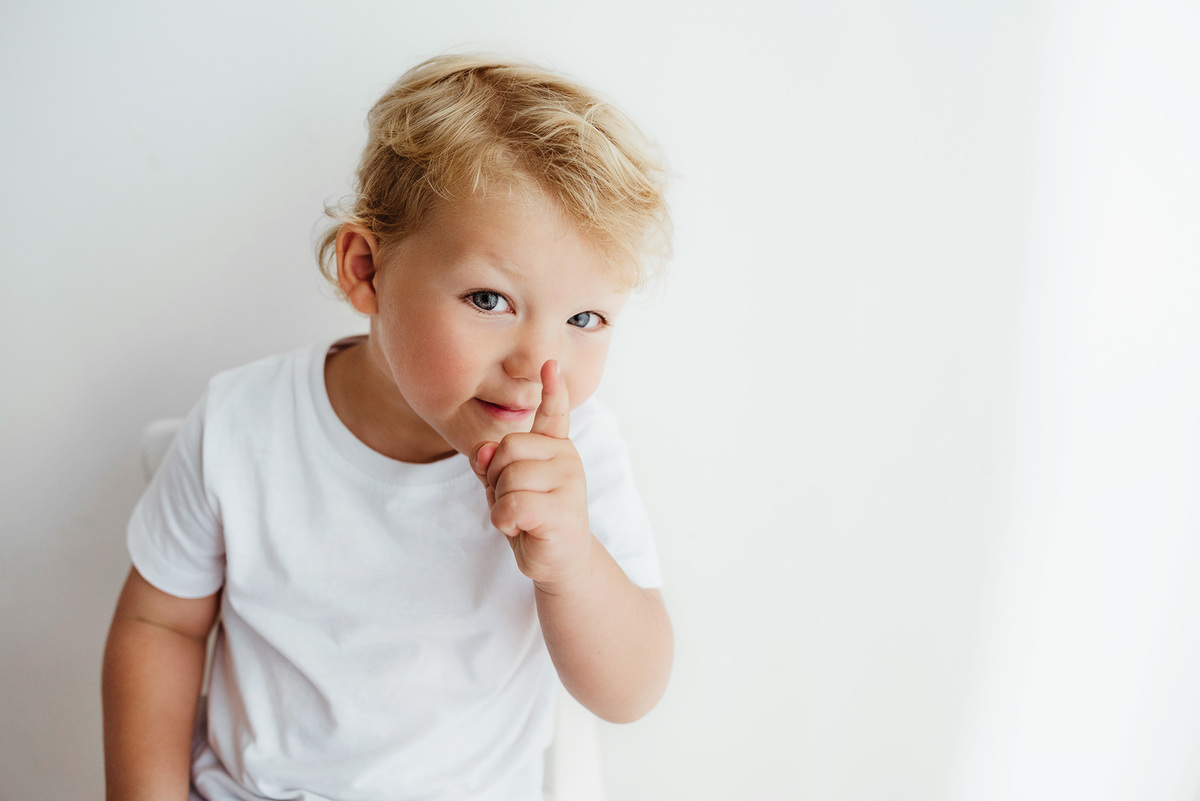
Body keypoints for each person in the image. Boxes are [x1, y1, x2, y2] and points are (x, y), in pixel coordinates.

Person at [101, 54, 674, 801]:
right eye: (490, 300)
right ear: (366, 270)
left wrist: (571, 560)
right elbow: (160, 626)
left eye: (585, 318)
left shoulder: (578, 458)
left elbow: (631, 692)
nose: (540, 364)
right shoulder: (241, 427)